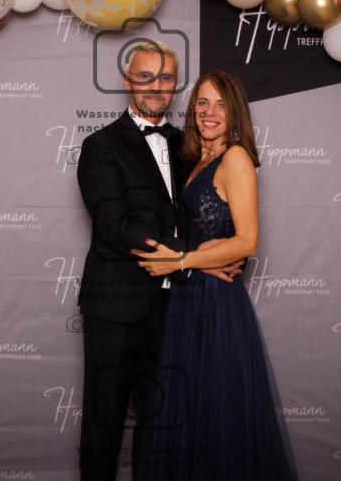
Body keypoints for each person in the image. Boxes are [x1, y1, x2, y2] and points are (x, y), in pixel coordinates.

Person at [76, 44, 245, 481]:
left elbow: (203, 216)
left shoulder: (187, 145)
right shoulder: (100, 147)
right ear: (128, 81)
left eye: (166, 78)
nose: (156, 86)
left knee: (164, 429)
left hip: (177, 310)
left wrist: (213, 255)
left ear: (175, 86)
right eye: (146, 76)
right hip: (116, 308)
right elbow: (117, 227)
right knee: (104, 425)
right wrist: (193, 261)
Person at [131, 70, 299, 480]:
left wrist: (182, 260)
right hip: (186, 299)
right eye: (203, 103)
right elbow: (202, 233)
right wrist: (200, 254)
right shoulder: (195, 160)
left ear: (235, 113)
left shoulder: (235, 158)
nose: (210, 112)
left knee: (216, 414)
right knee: (186, 411)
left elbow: (247, 242)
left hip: (216, 302)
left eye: (221, 105)